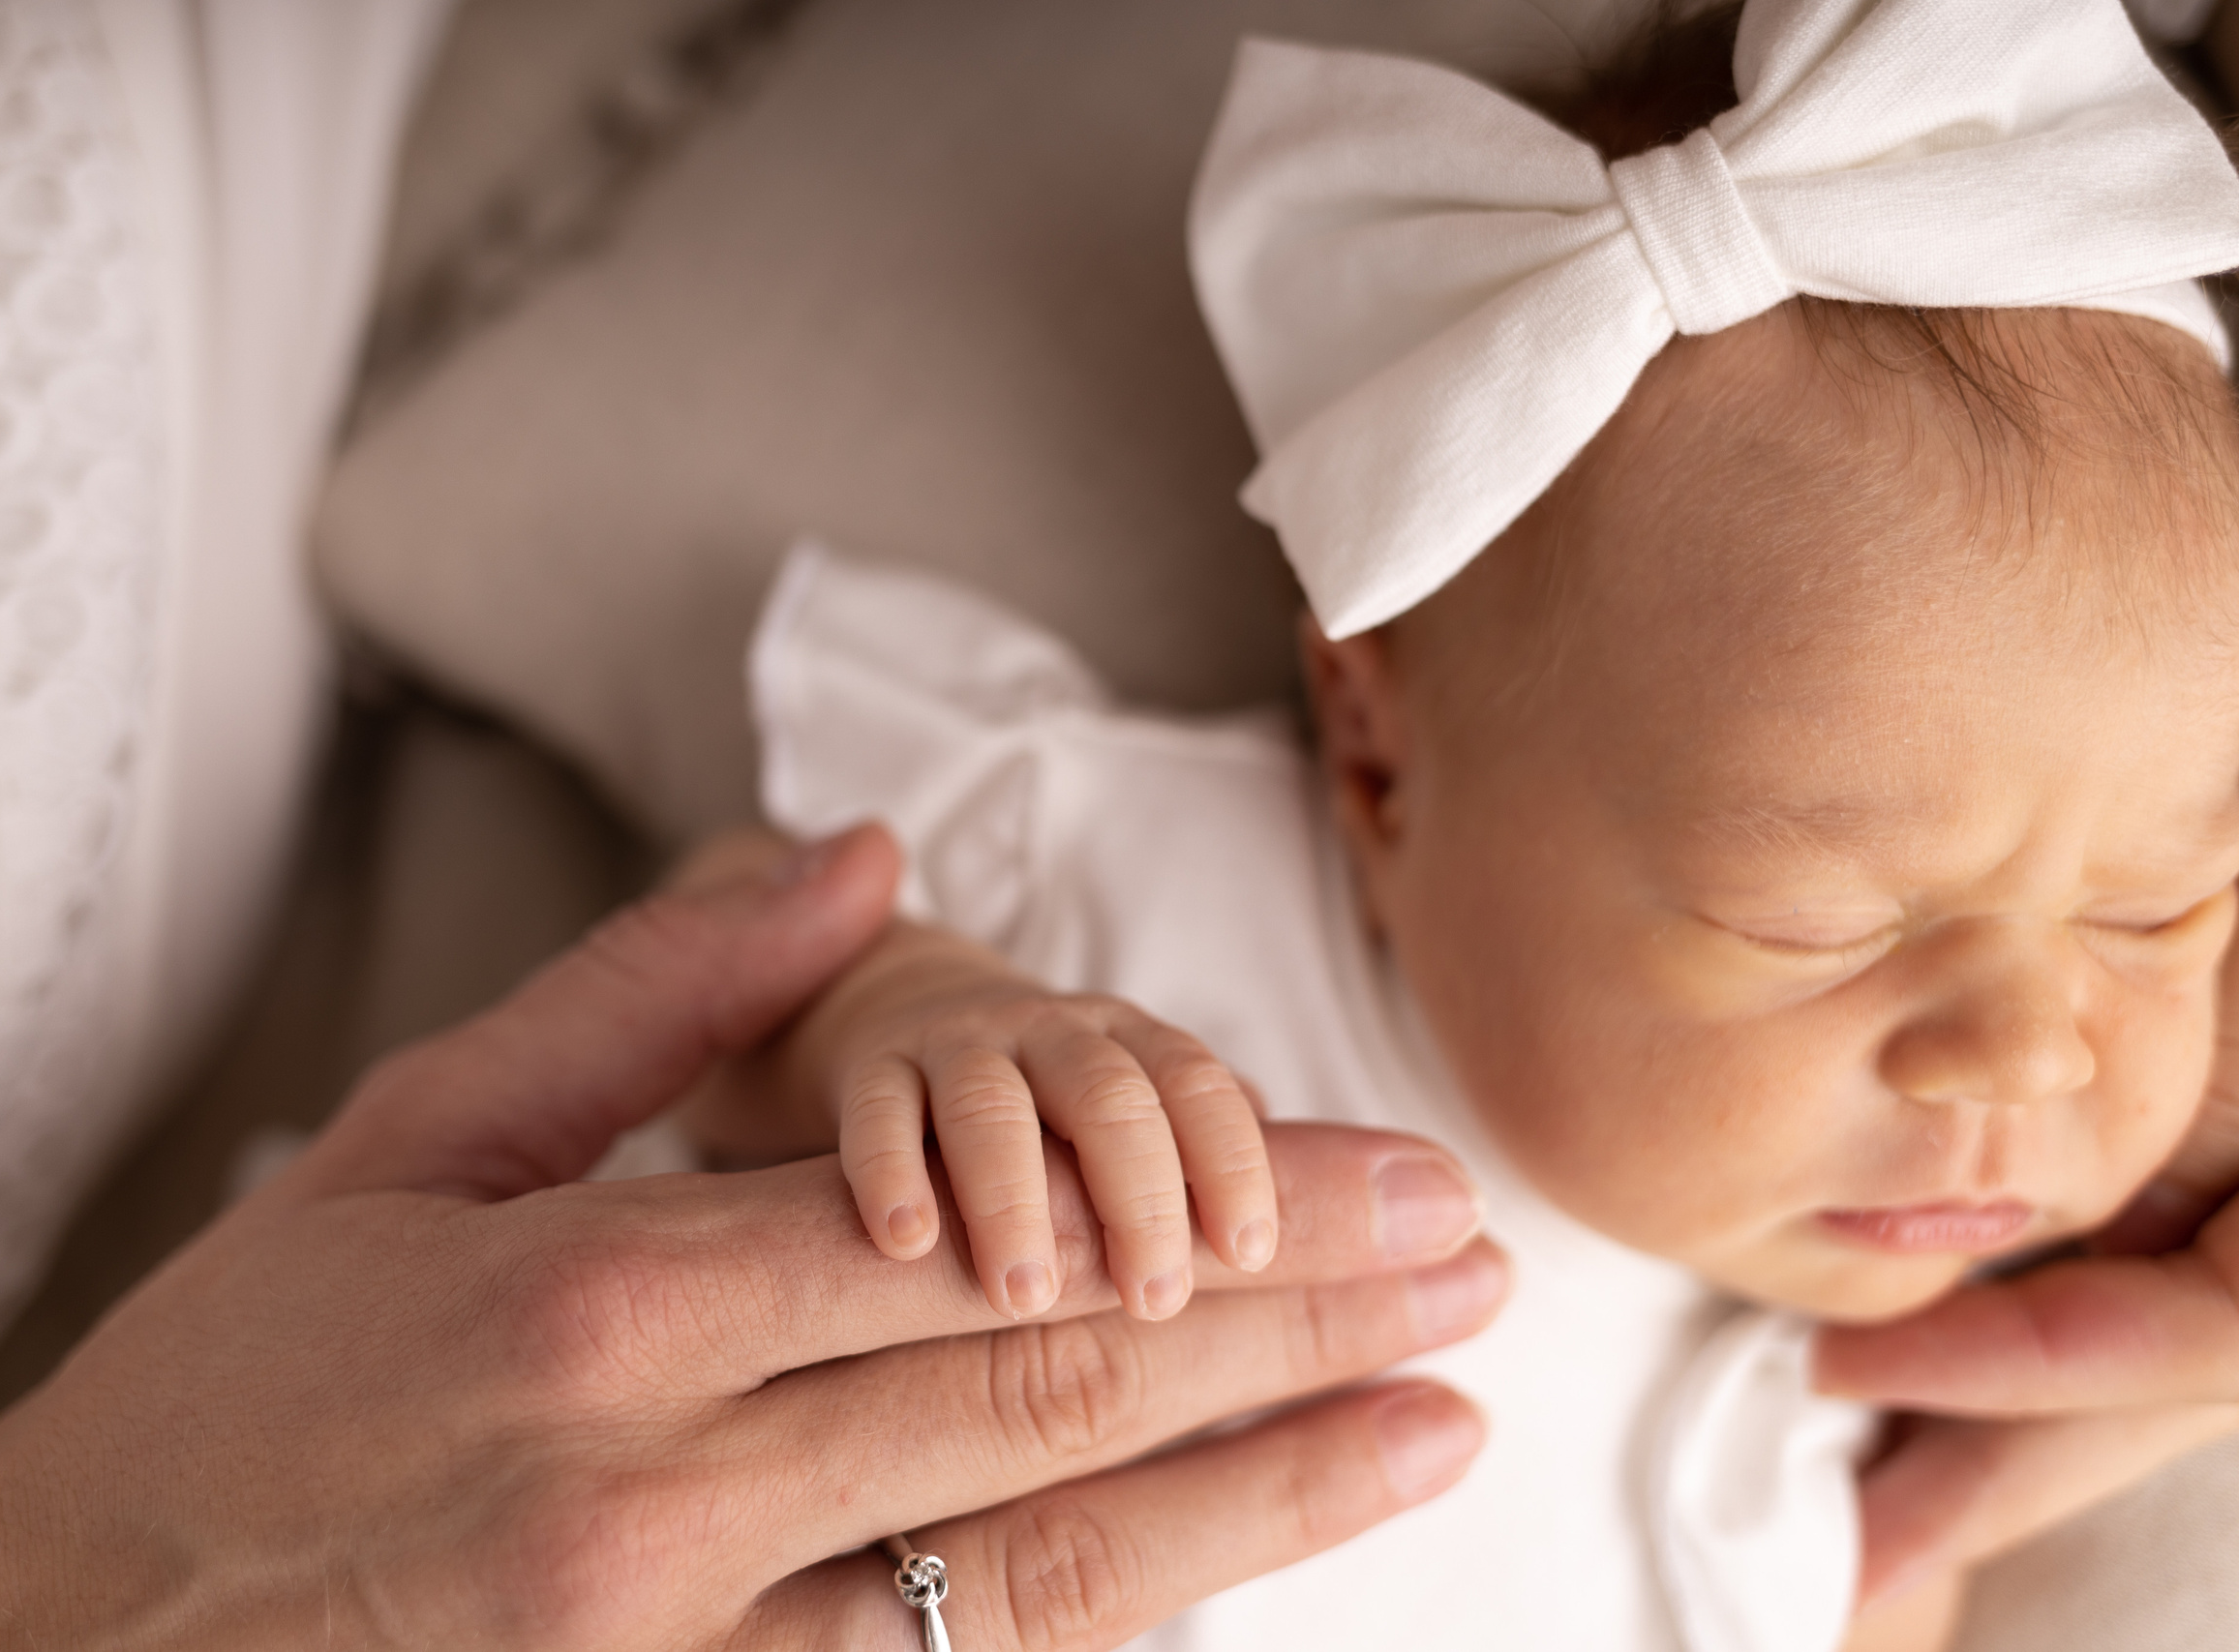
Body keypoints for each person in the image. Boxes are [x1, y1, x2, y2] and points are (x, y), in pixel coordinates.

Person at [691, 2, 2239, 1648]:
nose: (2030, 1056)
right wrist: (905, 1021)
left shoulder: (1832, 1414)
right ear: (1379, 756)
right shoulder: (1126, 880)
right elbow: (719, 965)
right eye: (1820, 921)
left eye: (2164, 907)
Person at [0, 825, 1513, 1648]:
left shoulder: (1777, 1436)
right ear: (1376, 742)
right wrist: (935, 1010)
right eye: (1790, 927)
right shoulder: (1196, 849)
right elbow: (776, 932)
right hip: (396, 1461)